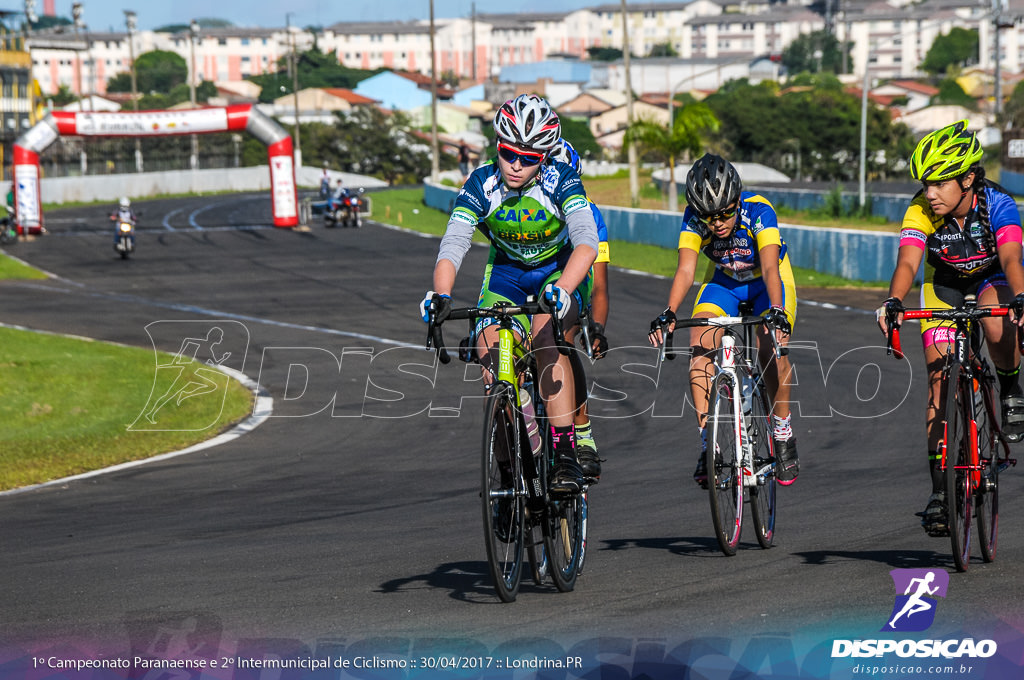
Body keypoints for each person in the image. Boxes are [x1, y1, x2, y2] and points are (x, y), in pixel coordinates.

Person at [420, 93, 600, 494]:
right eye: (508, 153)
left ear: (544, 157)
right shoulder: (481, 182)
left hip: (557, 272)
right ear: (496, 146)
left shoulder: (561, 180)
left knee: (546, 340)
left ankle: (565, 450)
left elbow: (586, 241)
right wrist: (442, 295)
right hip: (505, 276)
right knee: (491, 366)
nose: (516, 165)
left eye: (529, 157)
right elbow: (454, 243)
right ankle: (506, 476)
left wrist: (565, 290)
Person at [876, 120, 1024, 537]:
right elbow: (907, 261)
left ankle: (1011, 385)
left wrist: (1021, 297)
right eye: (926, 183)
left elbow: (1012, 257)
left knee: (997, 329)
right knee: (939, 380)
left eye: (940, 184)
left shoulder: (998, 202)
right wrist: (894, 302)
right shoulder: (920, 210)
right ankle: (941, 492)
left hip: (992, 278)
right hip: (943, 285)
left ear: (968, 178)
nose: (930, 192)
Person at [648, 153, 799, 487]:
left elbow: (772, 268)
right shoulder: (693, 219)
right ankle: (709, 443)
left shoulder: (760, 211)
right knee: (700, 343)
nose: (716, 223)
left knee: (770, 346)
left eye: (724, 213)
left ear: (737, 201)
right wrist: (669, 311)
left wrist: (775, 311)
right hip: (724, 282)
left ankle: (782, 428)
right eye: (708, 217)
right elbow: (686, 270)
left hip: (765, 282)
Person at [547, 137, 609, 480]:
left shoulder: (589, 213)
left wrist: (597, 326)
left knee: (562, 337)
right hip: (534, 277)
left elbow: (599, 283)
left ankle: (581, 431)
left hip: (574, 280)